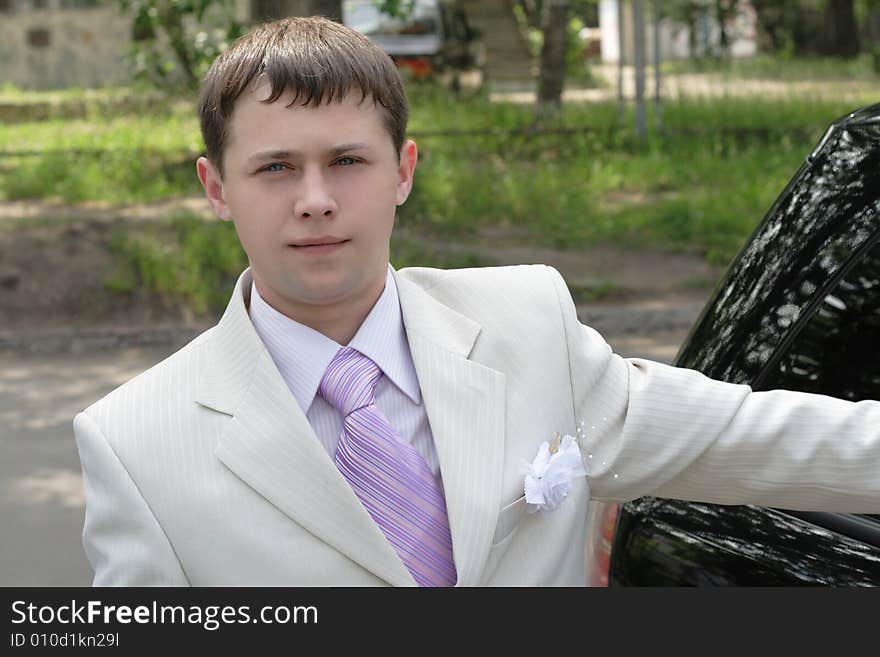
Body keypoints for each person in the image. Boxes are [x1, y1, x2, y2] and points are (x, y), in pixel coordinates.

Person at [73, 16, 880, 587]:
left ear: (404, 170)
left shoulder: (528, 323)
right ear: (216, 187)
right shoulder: (134, 442)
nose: (315, 199)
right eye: (276, 167)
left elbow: (763, 437)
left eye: (348, 160)